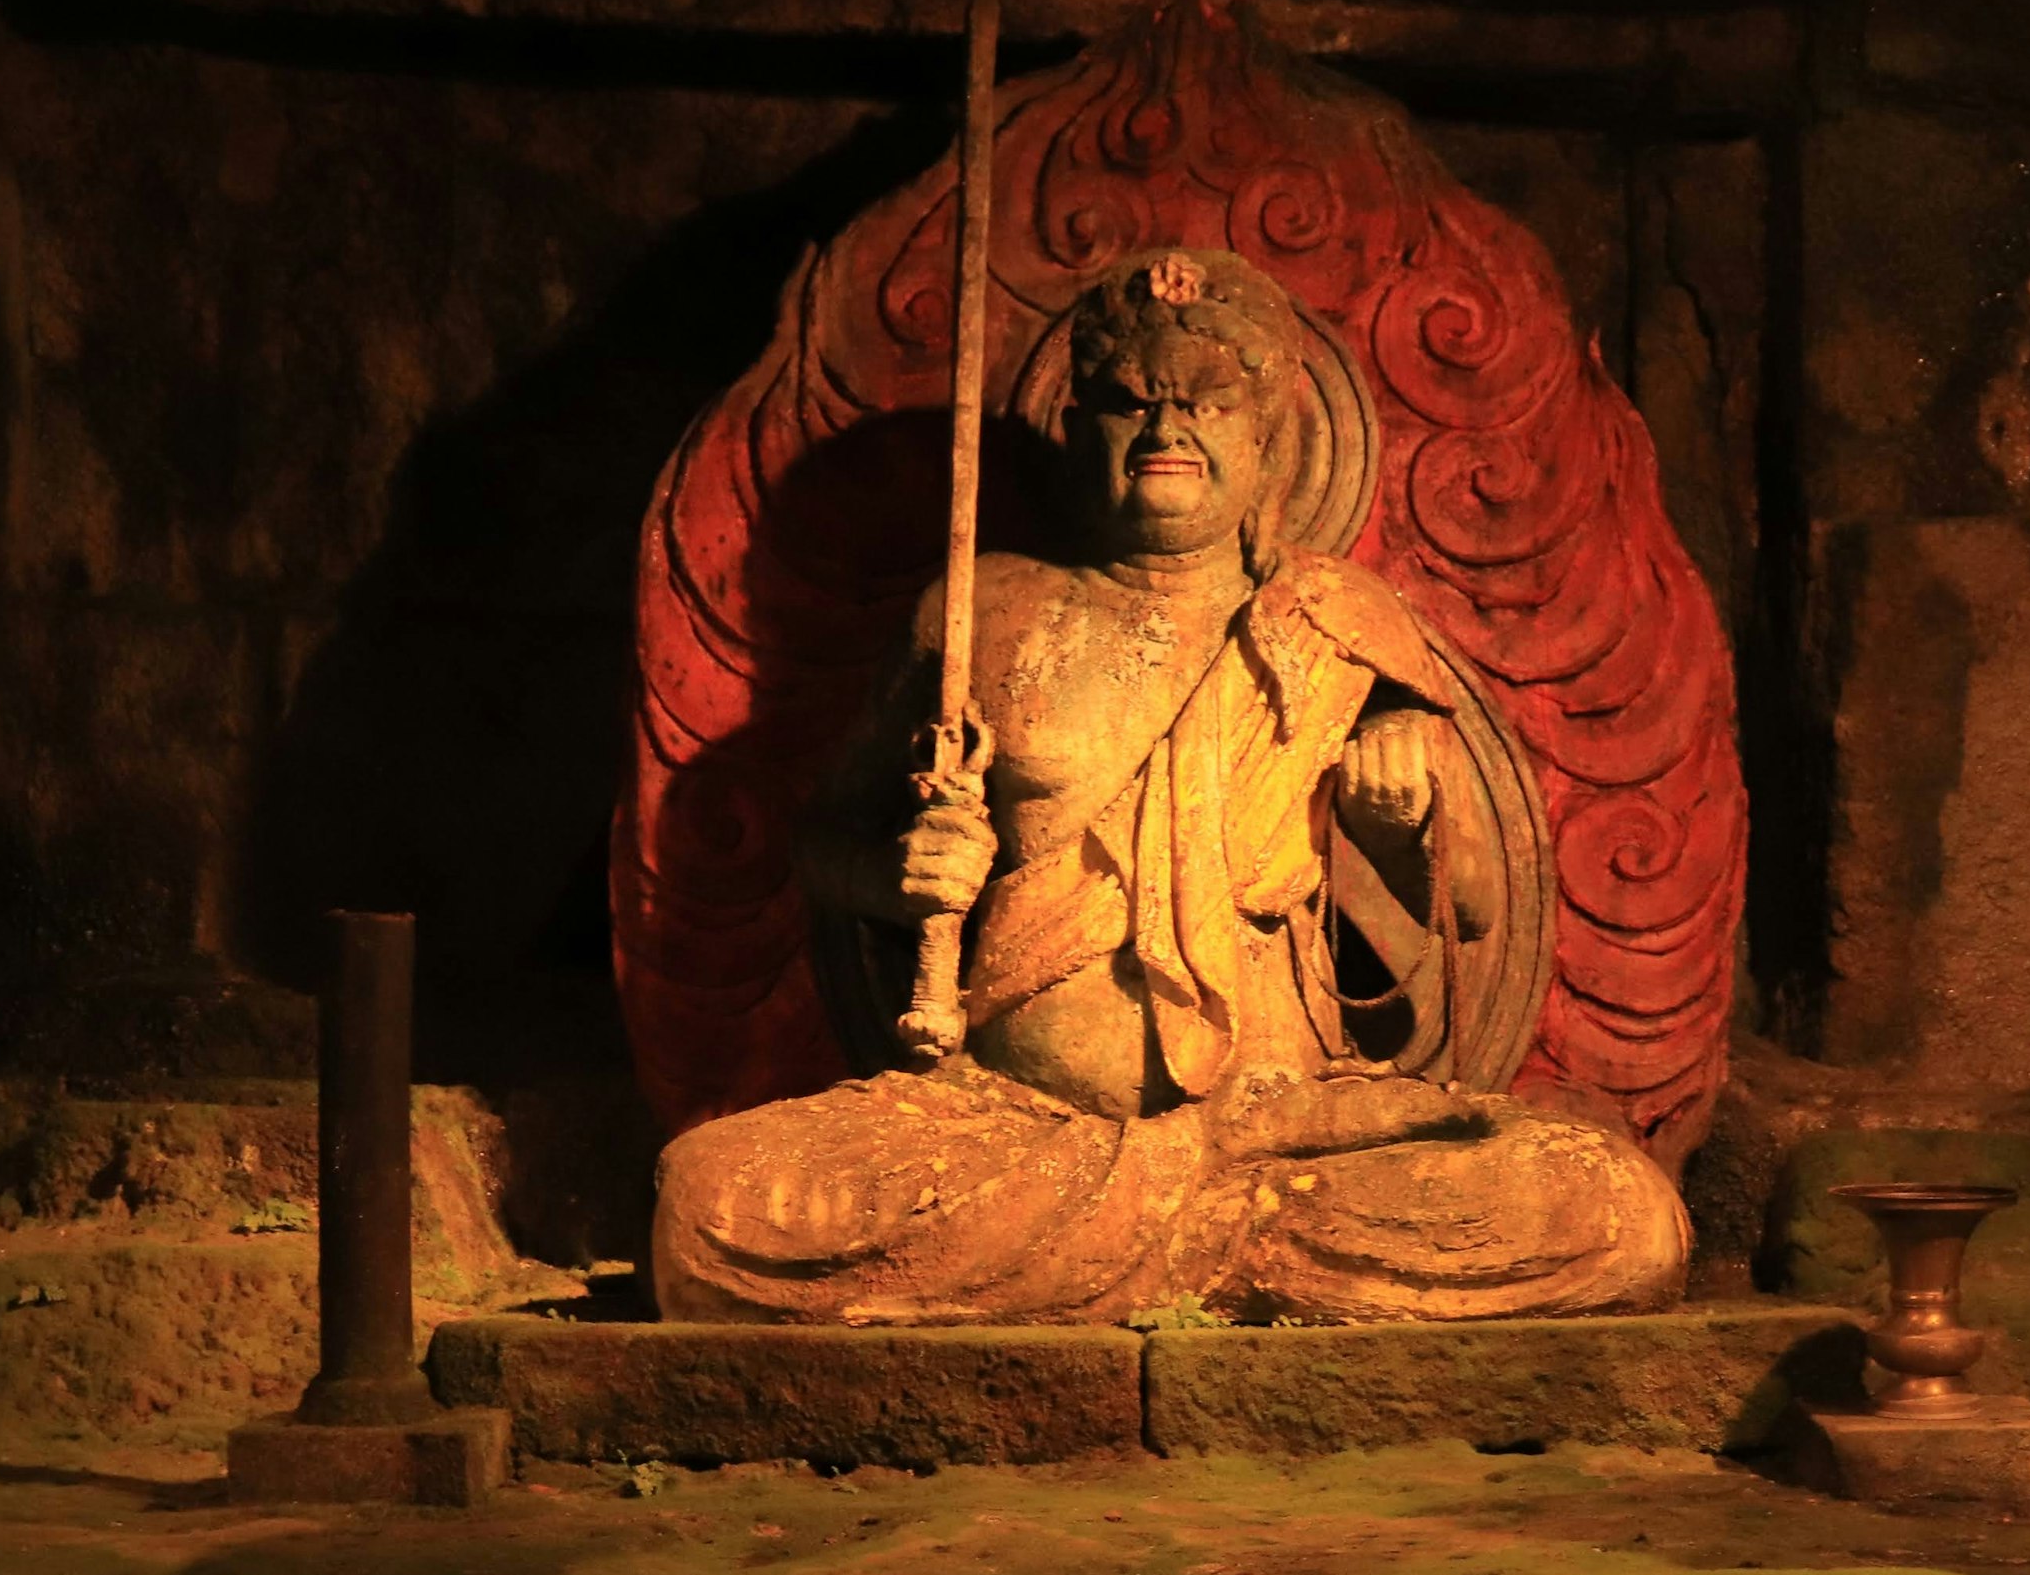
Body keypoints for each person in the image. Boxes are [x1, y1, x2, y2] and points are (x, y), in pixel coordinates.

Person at [652, 248, 1689, 1325]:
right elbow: (824, 841)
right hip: (1015, 1129)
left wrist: (1413, 816)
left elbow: (1471, 904)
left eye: (1208, 402)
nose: (1165, 430)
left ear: (1270, 438)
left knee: (1615, 1207)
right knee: (705, 1203)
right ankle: (1219, 1252)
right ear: (1078, 429)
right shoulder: (982, 613)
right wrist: (897, 874)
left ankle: (1155, 1251)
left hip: (1279, 1130)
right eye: (1127, 403)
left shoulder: (1334, 619)